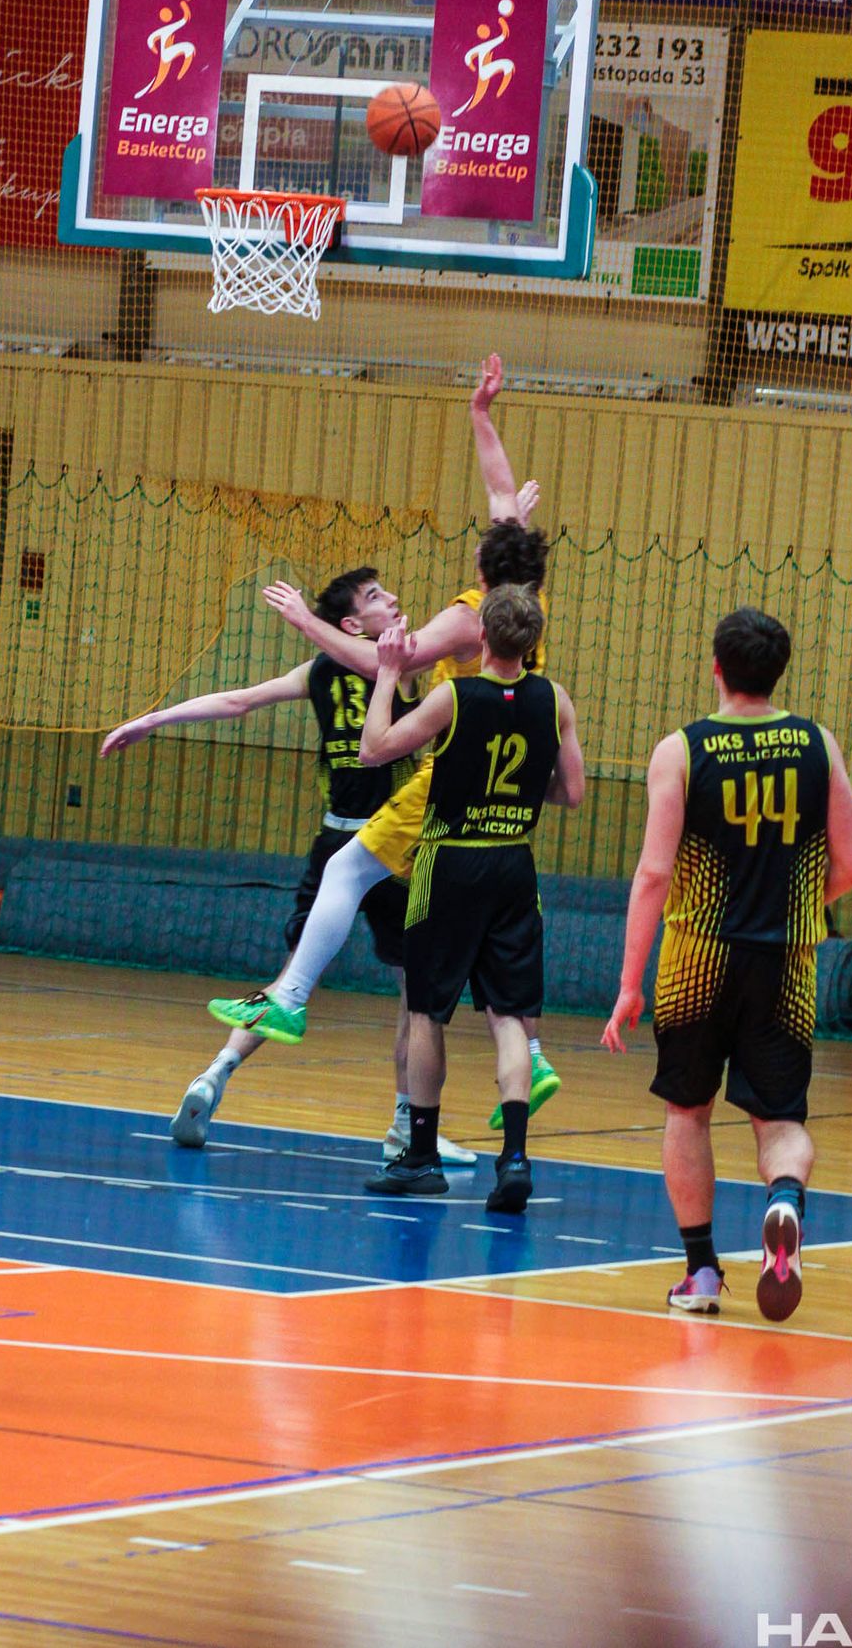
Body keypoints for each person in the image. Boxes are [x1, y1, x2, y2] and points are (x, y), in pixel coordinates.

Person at [209, 356, 563, 1131]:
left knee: (347, 867)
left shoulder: (469, 616)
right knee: (498, 925)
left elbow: (382, 661)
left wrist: (308, 623)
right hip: (510, 793)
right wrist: (480, 413)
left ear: (483, 562)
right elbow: (503, 490)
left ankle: (291, 996)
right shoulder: (528, 600)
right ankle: (529, 1053)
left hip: (451, 778)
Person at [99, 565, 475, 1166]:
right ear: (351, 625)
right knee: (416, 992)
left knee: (292, 982)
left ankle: (214, 1073)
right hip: (391, 849)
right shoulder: (400, 668)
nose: (393, 599)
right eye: (376, 597)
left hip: (334, 843)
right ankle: (408, 1124)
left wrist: (154, 719)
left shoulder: (321, 671)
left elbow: (237, 700)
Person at [602, 607, 852, 1321]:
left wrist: (629, 983)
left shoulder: (681, 751)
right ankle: (785, 1200)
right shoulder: (817, 744)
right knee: (779, 1117)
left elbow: (654, 874)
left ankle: (701, 1273)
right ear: (778, 672)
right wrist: (795, 903)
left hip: (696, 959)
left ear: (715, 667)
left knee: (688, 1111)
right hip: (785, 962)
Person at [356, 586, 584, 1210]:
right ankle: (514, 1158)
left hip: (451, 860)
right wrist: (518, 789)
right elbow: (571, 793)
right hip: (513, 862)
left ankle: (421, 1157)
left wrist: (388, 674)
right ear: (532, 643)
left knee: (427, 1012)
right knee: (509, 1015)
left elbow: (373, 748)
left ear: (481, 635)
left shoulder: (453, 697)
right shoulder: (555, 699)